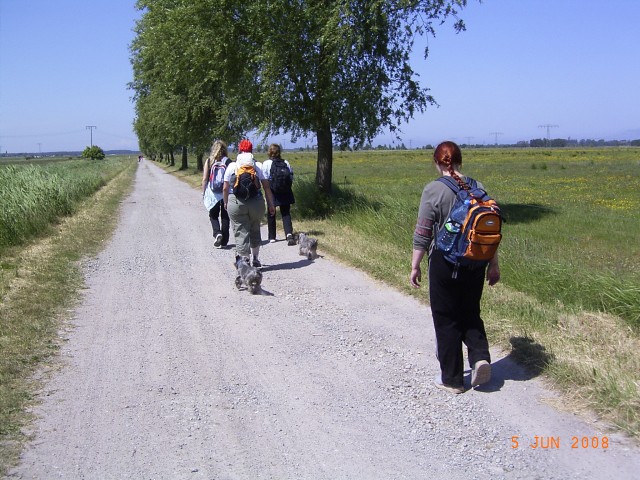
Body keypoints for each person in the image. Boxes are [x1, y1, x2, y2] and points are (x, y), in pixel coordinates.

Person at [409, 141, 500, 394]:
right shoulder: (478, 187)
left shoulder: (433, 190)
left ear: (437, 162)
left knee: (446, 318)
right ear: (460, 161)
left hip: (445, 263)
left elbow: (424, 232)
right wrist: (493, 264)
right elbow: (489, 232)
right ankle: (480, 357)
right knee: (470, 310)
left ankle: (452, 379)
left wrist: (415, 266)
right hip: (476, 261)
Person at [223, 139, 275, 267]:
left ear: (239, 150)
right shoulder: (258, 166)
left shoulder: (232, 166)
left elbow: (225, 188)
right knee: (255, 228)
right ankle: (256, 259)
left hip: (236, 202)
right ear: (251, 151)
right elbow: (267, 187)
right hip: (256, 202)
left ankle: (245, 262)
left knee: (241, 231)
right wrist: (271, 204)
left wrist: (225, 202)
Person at [261, 143, 296, 245]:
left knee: (271, 212)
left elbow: (265, 178)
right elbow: (291, 177)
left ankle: (272, 236)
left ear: (269, 152)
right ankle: (289, 234)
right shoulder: (286, 162)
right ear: (279, 152)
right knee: (286, 213)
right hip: (285, 191)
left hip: (272, 191)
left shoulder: (266, 163)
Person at [202, 140, 232, 248]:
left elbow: (205, 178)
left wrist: (204, 191)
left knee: (213, 215)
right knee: (225, 216)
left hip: (212, 192)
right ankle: (224, 241)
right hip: (225, 192)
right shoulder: (228, 161)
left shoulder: (209, 161)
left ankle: (217, 233)